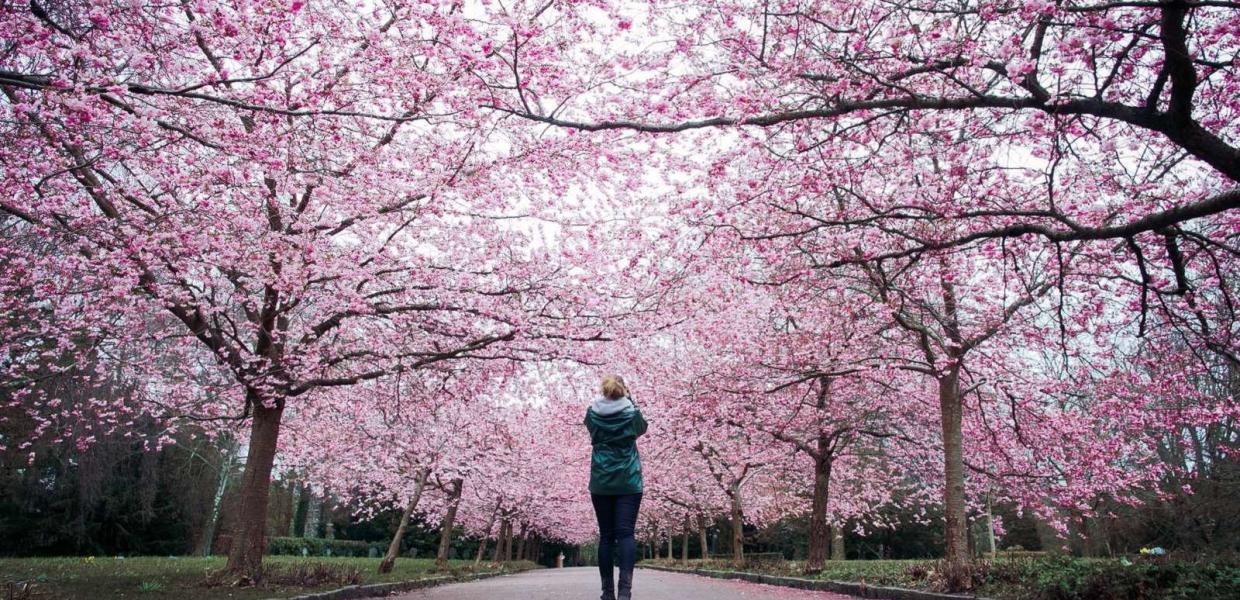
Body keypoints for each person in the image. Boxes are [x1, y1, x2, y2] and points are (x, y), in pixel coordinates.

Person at [586, 374, 648, 600]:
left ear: (604, 391)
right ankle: (625, 593)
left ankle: (607, 593)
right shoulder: (632, 414)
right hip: (629, 481)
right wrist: (632, 402)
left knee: (606, 537)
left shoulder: (592, 413)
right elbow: (642, 429)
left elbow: (590, 430)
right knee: (626, 534)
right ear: (625, 390)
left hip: (601, 481)